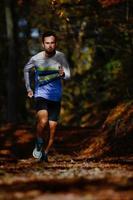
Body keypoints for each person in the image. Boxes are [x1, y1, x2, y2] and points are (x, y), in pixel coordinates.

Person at [24, 31, 70, 162]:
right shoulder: (36, 58)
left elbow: (68, 75)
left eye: (52, 43)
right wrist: (28, 88)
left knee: (52, 128)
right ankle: (38, 144)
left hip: (56, 97)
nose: (50, 45)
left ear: (56, 43)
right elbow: (26, 69)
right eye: (47, 43)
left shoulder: (61, 57)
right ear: (43, 44)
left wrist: (63, 75)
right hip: (41, 95)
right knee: (43, 122)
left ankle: (45, 154)